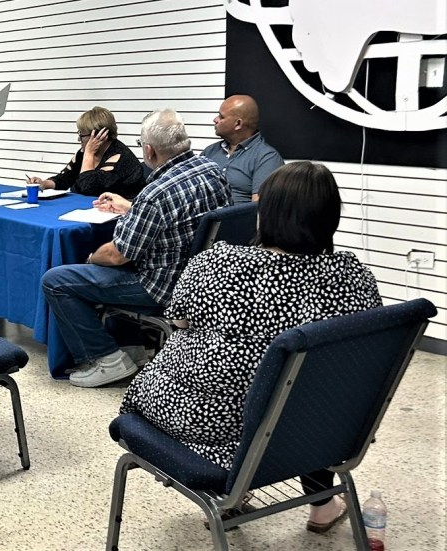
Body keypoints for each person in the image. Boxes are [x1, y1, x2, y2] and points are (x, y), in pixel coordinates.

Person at [119, 161, 382, 532]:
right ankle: (322, 504)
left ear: (265, 215)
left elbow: (178, 322)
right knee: (307, 386)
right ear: (331, 217)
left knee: (247, 384)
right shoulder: (356, 278)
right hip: (317, 431)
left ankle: (229, 497)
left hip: (207, 422)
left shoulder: (217, 263)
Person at [41, 109, 229, 388]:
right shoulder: (211, 170)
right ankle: (132, 348)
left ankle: (107, 359)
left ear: (149, 150)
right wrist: (132, 207)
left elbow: (117, 255)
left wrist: (90, 257)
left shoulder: (156, 193)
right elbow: (182, 217)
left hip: (161, 288)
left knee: (56, 280)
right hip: (201, 280)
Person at [28, 107, 145, 199]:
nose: (79, 139)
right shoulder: (83, 153)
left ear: (99, 135)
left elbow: (88, 187)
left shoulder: (121, 157)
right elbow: (65, 179)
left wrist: (89, 153)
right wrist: (44, 183)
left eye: (82, 135)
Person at [201, 95, 284, 203]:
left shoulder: (267, 158)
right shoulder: (210, 151)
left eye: (221, 117)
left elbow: (260, 208)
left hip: (234, 213)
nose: (215, 120)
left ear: (238, 124)